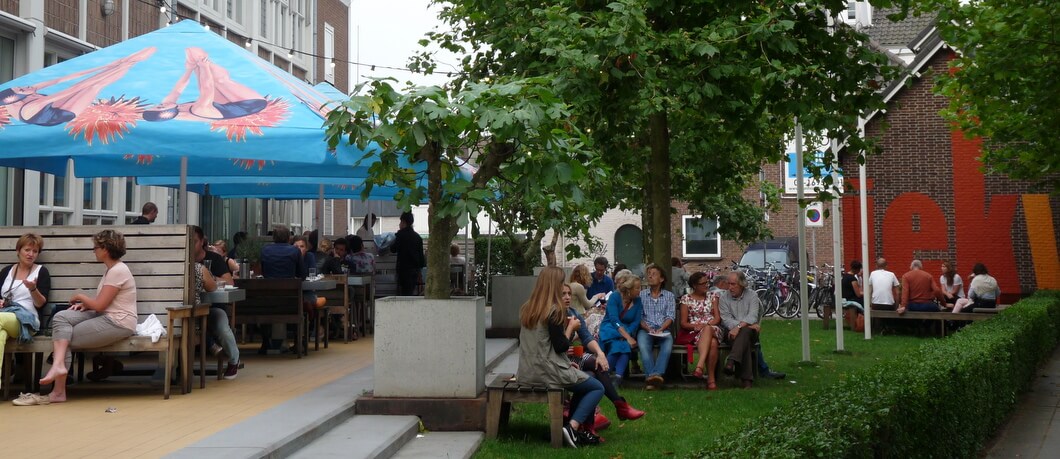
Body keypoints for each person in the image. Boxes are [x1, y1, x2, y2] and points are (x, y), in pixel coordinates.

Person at [28, 230, 137, 405]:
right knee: (61, 317)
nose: (93, 251)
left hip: (118, 322)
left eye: (95, 247)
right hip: (107, 316)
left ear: (105, 249)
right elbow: (105, 303)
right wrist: (86, 305)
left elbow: (100, 305)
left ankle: (58, 390)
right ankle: (58, 368)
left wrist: (81, 296)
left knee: (63, 340)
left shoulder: (118, 271)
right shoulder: (112, 270)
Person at [517, 267, 603, 448]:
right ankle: (572, 427)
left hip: (527, 370)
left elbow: (543, 344)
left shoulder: (528, 308)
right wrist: (572, 327)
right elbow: (561, 345)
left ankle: (569, 427)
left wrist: (565, 362)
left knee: (586, 381)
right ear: (553, 286)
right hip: (548, 372)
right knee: (596, 387)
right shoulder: (554, 311)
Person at [561, 282, 645, 438]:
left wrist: (600, 353)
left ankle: (587, 426)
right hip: (559, 361)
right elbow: (557, 346)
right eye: (563, 294)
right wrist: (570, 329)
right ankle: (619, 406)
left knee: (594, 369)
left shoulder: (573, 313)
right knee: (593, 371)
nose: (567, 298)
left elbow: (587, 337)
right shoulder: (554, 316)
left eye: (569, 294)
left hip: (573, 357)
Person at [1, 233, 51, 390]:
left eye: (35, 251)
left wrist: (33, 289)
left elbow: (40, 304)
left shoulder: (41, 272)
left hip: (28, 320)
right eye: (27, 250)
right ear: (18, 250)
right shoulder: (6, 271)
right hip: (5, 317)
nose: (31, 254)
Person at [197, 227, 240, 379]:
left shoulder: (214, 259)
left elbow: (229, 281)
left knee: (221, 327)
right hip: (193, 309)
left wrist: (210, 278)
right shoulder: (184, 259)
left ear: (202, 242)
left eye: (194, 241)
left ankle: (234, 359)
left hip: (213, 306)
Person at [259, 225, 305, 353]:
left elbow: (263, 272)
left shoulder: (265, 250)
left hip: (267, 302)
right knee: (299, 306)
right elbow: (302, 275)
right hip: (290, 302)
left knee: (265, 307)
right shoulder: (294, 251)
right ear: (289, 238)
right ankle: (297, 342)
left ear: (273, 237)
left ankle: (265, 342)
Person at [677, 271, 722, 390]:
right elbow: (683, 323)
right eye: (703, 284)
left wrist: (705, 325)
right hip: (695, 332)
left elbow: (717, 318)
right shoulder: (686, 299)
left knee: (708, 329)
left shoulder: (713, 296)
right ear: (694, 286)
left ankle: (700, 365)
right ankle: (711, 380)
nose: (706, 285)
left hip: (713, 328)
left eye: (707, 282)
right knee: (712, 343)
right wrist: (696, 326)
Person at [597, 270, 642, 386]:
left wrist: (627, 333)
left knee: (623, 344)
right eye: (637, 288)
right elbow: (614, 319)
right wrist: (627, 337)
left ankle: (609, 375)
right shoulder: (614, 297)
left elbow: (636, 321)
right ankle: (614, 375)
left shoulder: (638, 301)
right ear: (629, 288)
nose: (639, 290)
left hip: (625, 329)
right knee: (623, 342)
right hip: (610, 327)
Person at [719, 271, 760, 389]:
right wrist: (743, 325)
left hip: (750, 333)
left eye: (733, 284)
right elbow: (726, 320)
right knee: (745, 336)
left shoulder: (752, 295)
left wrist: (739, 327)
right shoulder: (723, 298)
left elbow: (753, 316)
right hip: (731, 332)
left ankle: (731, 360)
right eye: (729, 284)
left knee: (745, 333)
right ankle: (747, 380)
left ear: (742, 284)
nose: (730, 287)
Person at [637, 263, 675, 390]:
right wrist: (648, 328)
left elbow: (670, 317)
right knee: (643, 345)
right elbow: (639, 316)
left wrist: (660, 329)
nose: (650, 277)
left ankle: (653, 376)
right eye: (649, 274)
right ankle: (654, 377)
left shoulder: (669, 296)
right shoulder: (641, 295)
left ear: (662, 279)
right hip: (646, 329)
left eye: (654, 274)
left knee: (667, 346)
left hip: (663, 329)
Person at [391, 212, 425, 296]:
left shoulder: (400, 235)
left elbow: (393, 249)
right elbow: (421, 257)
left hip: (403, 269)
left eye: (400, 222)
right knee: (410, 292)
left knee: (403, 293)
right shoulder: (417, 237)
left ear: (403, 222)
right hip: (414, 270)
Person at [841, 260, 865, 329]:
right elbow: (858, 294)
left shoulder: (845, 276)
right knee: (866, 302)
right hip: (851, 299)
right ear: (858, 269)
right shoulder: (853, 279)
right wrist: (866, 293)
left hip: (845, 297)